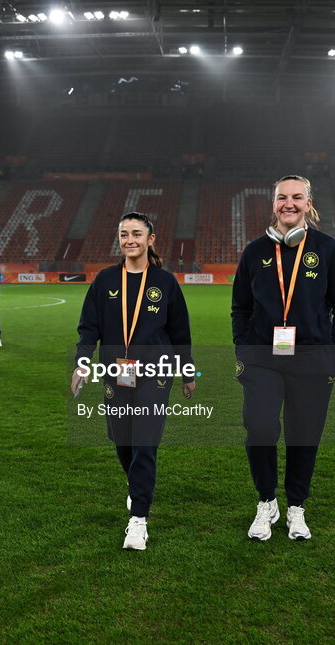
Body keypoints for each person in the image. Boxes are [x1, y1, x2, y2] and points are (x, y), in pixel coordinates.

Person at [231, 175, 335, 542]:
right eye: (282, 197)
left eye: (297, 197)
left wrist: (332, 352)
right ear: (273, 204)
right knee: (262, 429)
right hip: (262, 359)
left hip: (312, 360)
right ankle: (266, 502)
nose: (289, 203)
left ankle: (296, 507)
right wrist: (243, 348)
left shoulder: (327, 249)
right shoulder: (255, 251)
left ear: (309, 203)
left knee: (304, 435)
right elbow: (240, 306)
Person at [72, 212, 195, 551]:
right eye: (124, 233)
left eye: (137, 234)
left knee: (144, 442)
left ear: (150, 239)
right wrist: (82, 364)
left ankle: (138, 519)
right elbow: (89, 328)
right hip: (116, 372)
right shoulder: (105, 280)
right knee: (121, 439)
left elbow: (180, 332)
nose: (130, 240)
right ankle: (136, 484)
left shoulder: (165, 283)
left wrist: (187, 371)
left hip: (155, 374)